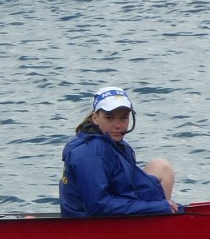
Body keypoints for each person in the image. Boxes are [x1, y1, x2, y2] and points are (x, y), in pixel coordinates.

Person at [59, 87, 182, 217]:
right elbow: (97, 206)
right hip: (88, 223)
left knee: (161, 167)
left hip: (110, 213)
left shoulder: (117, 144)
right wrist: (157, 207)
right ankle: (164, 222)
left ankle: (166, 217)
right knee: (161, 204)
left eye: (123, 118)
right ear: (95, 118)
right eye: (109, 118)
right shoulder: (90, 153)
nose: (118, 125)